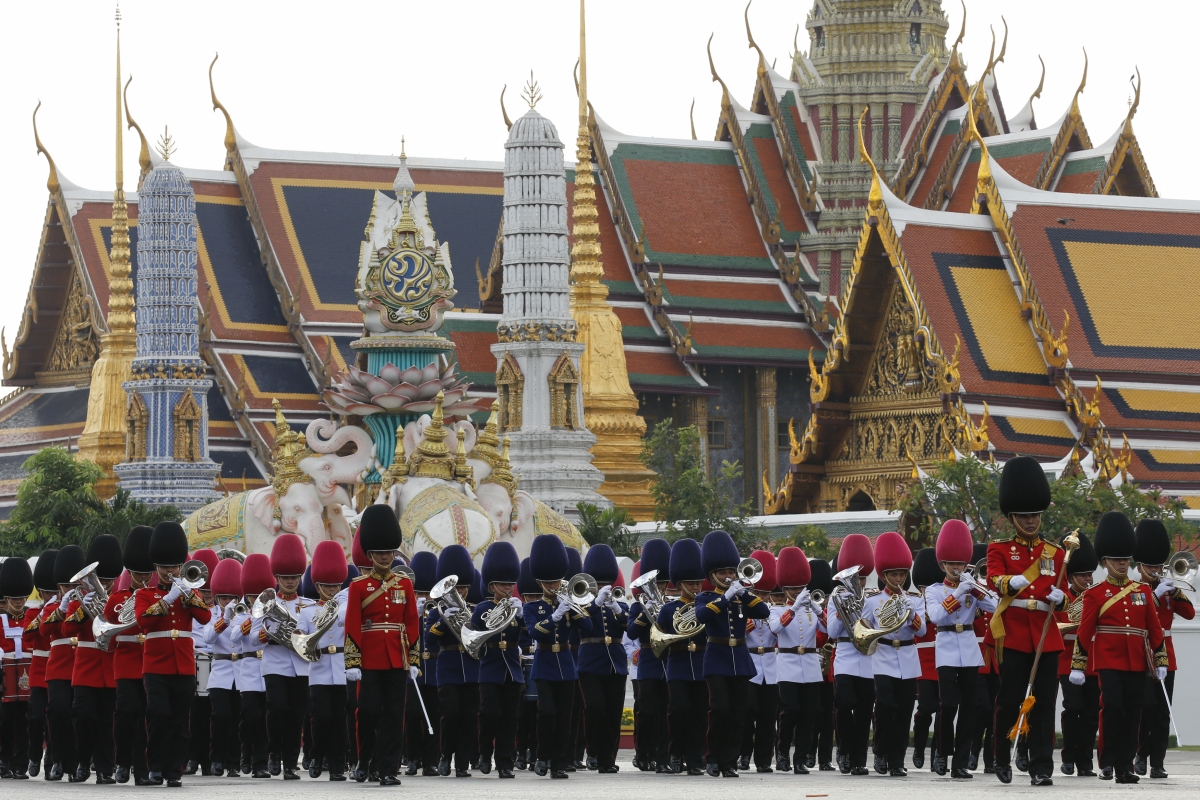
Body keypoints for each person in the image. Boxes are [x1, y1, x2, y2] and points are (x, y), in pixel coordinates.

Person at [987, 456, 1067, 786]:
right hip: (1017, 634)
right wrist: (1011, 582)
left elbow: (1064, 592)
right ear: (1012, 517)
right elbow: (994, 578)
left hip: (1046, 635)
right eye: (1024, 516)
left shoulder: (1055, 553)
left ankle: (1041, 767)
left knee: (1045, 704)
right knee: (1010, 700)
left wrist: (1063, 599)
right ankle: (1002, 756)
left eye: (1035, 515)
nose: (1031, 521)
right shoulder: (1000, 549)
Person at [1071, 511, 1167, 784]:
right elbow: (1085, 630)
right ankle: (1107, 761)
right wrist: (1078, 664)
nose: (1123, 564)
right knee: (1112, 708)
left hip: (1136, 660)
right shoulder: (1095, 594)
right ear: (1105, 562)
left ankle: (1125, 765)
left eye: (1125, 559)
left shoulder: (1143, 591)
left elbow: (1155, 629)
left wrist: (1160, 660)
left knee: (1134, 713)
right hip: (1108, 660)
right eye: (1117, 559)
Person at [344, 504, 419, 786]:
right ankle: (364, 761)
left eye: (389, 552)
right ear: (371, 555)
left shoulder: (404, 585)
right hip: (370, 658)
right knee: (369, 711)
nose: (385, 557)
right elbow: (352, 624)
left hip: (397, 659)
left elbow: (412, 623)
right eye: (380, 553)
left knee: (393, 715)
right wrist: (352, 661)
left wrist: (413, 660)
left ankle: (388, 768)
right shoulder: (358, 587)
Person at [135, 521, 213, 786]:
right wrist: (167, 600)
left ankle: (174, 770)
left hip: (183, 666)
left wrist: (189, 595)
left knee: (180, 721)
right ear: (156, 568)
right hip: (156, 665)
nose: (170, 571)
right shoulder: (145, 594)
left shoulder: (188, 593)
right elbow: (143, 621)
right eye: (165, 567)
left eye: (174, 566)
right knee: (158, 715)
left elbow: (205, 617)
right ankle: (155, 766)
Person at [693, 530, 771, 778]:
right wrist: (726, 597)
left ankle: (729, 761)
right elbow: (703, 616)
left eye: (731, 572)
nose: (728, 576)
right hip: (716, 657)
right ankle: (713, 758)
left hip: (740, 658)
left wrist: (743, 593)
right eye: (722, 572)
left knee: (739, 712)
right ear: (712, 575)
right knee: (720, 709)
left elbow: (764, 612)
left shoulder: (741, 597)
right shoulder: (704, 597)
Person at [925, 521, 997, 779]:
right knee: (949, 704)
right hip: (945, 647)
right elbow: (934, 616)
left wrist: (978, 590)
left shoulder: (971, 587)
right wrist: (958, 594)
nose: (957, 569)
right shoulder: (934, 591)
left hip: (967, 647)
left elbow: (996, 607)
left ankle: (961, 762)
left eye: (960, 564)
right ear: (943, 565)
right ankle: (942, 752)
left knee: (969, 706)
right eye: (952, 564)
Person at [524, 534, 591, 779]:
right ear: (540, 582)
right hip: (544, 664)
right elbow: (534, 631)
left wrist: (574, 610)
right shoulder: (532, 607)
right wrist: (554, 617)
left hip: (565, 663)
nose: (554, 586)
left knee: (565, 716)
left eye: (557, 581)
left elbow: (589, 629)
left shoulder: (568, 602)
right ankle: (542, 756)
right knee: (547, 712)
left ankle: (559, 763)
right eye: (549, 582)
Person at [862, 532, 925, 777]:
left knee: (905, 709)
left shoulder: (914, 600)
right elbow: (864, 629)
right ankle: (880, 752)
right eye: (894, 574)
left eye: (902, 574)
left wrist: (911, 614)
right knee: (886, 706)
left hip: (907, 656)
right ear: (884, 576)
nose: (898, 579)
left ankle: (897, 760)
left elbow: (920, 630)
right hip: (883, 656)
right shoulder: (873, 601)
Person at [1134, 519, 1193, 779]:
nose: (1155, 569)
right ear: (1140, 565)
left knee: (1162, 713)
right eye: (1150, 565)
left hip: (1166, 656)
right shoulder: (1136, 589)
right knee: (1145, 708)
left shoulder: (1169, 591)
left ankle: (1157, 762)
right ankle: (1139, 754)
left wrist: (1176, 592)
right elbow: (1137, 615)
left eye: (1158, 564)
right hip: (1142, 654)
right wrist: (1155, 594)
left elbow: (1190, 614)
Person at [64, 535, 122, 783]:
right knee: (84, 716)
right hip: (86, 667)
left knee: (107, 723)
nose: (105, 584)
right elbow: (67, 630)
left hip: (110, 667)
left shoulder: (120, 599)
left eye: (109, 580)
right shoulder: (79, 599)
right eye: (102, 579)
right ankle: (81, 763)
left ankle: (105, 769)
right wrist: (81, 609)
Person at [472, 541, 524, 778]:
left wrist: (522, 616)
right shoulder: (482, 608)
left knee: (510, 718)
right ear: (492, 585)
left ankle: (505, 762)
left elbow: (529, 635)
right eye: (503, 584)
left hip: (512, 668)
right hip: (490, 667)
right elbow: (473, 635)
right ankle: (484, 753)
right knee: (490, 713)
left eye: (510, 584)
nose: (507, 588)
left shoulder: (517, 608)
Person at [425, 544, 478, 777]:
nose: (462, 592)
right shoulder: (437, 611)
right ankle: (445, 756)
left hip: (471, 669)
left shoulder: (476, 611)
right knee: (451, 713)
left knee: (468, 717)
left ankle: (463, 763)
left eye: (464, 587)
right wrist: (440, 623)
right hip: (448, 667)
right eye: (458, 588)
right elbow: (429, 641)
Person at [106, 528, 153, 785]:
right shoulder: (117, 599)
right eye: (139, 573)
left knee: (146, 715)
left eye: (147, 573)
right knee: (126, 713)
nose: (144, 578)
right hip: (125, 662)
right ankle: (122, 761)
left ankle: (141, 766)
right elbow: (110, 621)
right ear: (130, 573)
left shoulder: (157, 597)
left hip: (149, 659)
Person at [771, 546, 824, 775]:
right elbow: (775, 629)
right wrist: (792, 608)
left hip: (810, 664)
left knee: (808, 714)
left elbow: (829, 629)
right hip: (788, 664)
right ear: (785, 589)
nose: (797, 591)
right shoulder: (777, 610)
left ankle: (800, 758)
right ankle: (782, 752)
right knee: (789, 710)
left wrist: (818, 609)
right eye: (792, 588)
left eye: (800, 587)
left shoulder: (812, 610)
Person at [576, 544, 628, 774]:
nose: (604, 586)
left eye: (607, 581)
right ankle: (594, 751)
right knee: (595, 709)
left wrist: (616, 608)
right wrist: (595, 605)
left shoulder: (620, 603)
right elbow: (581, 624)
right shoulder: (583, 605)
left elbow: (630, 628)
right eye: (599, 582)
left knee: (613, 713)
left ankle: (608, 759)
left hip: (615, 663)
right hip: (590, 662)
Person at [656, 538, 706, 775]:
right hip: (677, 664)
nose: (696, 588)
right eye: (691, 583)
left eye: (698, 583)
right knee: (678, 710)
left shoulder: (707, 605)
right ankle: (676, 753)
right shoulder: (669, 609)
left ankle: (695, 758)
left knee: (699, 713)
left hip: (701, 664)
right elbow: (662, 633)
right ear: (680, 583)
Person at [827, 533, 874, 775]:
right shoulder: (836, 598)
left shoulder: (872, 599)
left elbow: (877, 628)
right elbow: (832, 632)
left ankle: (858, 759)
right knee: (844, 705)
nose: (859, 582)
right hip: (845, 654)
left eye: (862, 578)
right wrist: (840, 613)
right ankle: (844, 751)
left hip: (866, 658)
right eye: (856, 578)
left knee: (865, 710)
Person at [302, 540, 349, 781]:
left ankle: (338, 766)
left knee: (341, 718)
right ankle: (317, 755)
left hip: (341, 667)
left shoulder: (345, 607)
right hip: (319, 668)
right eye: (327, 586)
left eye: (336, 586)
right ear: (318, 586)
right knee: (321, 717)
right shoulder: (308, 611)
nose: (332, 590)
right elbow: (299, 639)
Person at [1052, 532, 1098, 778]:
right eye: (1083, 575)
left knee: (1091, 714)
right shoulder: (1064, 599)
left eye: (1090, 574)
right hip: (1067, 663)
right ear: (1072, 577)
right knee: (1072, 709)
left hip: (1092, 663)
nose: (1088, 579)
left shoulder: (1096, 598)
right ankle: (1068, 757)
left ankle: (1085, 762)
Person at [626, 540, 670, 774]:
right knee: (648, 712)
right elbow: (632, 631)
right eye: (656, 582)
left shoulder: (671, 604)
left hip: (668, 662)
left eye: (662, 582)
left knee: (666, 712)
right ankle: (643, 753)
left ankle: (663, 757)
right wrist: (646, 611)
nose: (659, 586)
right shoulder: (637, 606)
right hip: (648, 662)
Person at [44, 543, 85, 782]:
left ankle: (76, 762)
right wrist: (61, 608)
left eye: (74, 585)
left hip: (82, 665)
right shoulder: (51, 607)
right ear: (60, 587)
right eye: (67, 586)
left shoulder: (86, 604)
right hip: (59, 667)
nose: (71, 590)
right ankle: (57, 759)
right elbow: (42, 630)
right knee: (58, 712)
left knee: (79, 714)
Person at [233, 553, 273, 779]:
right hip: (248, 668)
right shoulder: (241, 615)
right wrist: (252, 620)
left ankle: (260, 763)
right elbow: (235, 636)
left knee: (264, 717)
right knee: (249, 717)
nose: (254, 599)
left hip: (266, 665)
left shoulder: (271, 613)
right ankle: (245, 750)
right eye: (251, 596)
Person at [203, 556, 243, 779]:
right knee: (220, 716)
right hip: (220, 670)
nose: (227, 601)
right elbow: (208, 637)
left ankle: (233, 762)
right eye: (223, 597)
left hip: (240, 670)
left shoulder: (244, 613)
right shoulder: (212, 615)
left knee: (238, 717)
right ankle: (217, 759)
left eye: (231, 597)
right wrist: (224, 621)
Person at [740, 549, 778, 773]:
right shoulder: (742, 609)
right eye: (758, 593)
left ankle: (764, 759)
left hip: (771, 666)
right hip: (750, 663)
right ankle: (743, 755)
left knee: (768, 716)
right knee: (747, 712)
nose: (762, 598)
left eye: (766, 594)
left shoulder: (773, 611)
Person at [0, 557, 37, 779]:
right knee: (5, 719)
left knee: (25, 721)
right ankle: (4, 759)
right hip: (4, 676)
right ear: (6, 597)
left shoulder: (32, 618)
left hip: (27, 675)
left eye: (21, 597)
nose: (18, 601)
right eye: (13, 597)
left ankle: (20, 763)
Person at [403, 551, 439, 777]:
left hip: (435, 668)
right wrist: (412, 616)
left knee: (433, 715)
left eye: (427, 592)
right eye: (419, 592)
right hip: (413, 669)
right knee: (413, 714)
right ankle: (412, 757)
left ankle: (430, 761)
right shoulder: (408, 609)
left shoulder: (439, 609)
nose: (423, 597)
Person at [24, 550, 57, 780]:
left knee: (55, 717)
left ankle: (52, 760)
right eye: (47, 592)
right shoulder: (33, 612)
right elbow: (28, 636)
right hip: (38, 669)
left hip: (58, 667)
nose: (51, 595)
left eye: (54, 591)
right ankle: (34, 755)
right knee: (35, 717)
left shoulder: (64, 609)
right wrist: (44, 612)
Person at [910, 548, 943, 773]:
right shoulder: (915, 603)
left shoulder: (943, 598)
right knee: (925, 708)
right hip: (923, 660)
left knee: (944, 709)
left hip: (945, 659)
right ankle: (920, 746)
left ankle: (939, 754)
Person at [514, 558, 540, 771]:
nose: (533, 599)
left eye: (536, 596)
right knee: (522, 715)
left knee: (539, 714)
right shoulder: (518, 614)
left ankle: (535, 752)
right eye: (530, 596)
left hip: (540, 666)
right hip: (523, 667)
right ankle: (520, 752)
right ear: (523, 596)